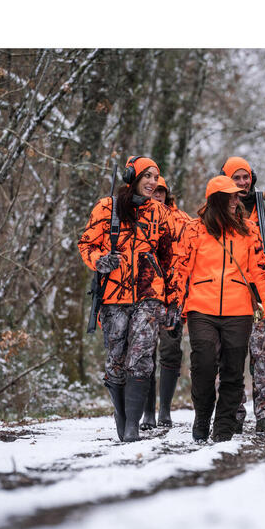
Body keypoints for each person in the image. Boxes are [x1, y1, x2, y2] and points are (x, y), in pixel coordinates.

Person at [78, 156, 179, 442]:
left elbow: (170, 258)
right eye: (146, 175)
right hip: (113, 295)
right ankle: (121, 417)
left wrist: (173, 300)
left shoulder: (160, 212)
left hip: (150, 295)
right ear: (131, 176)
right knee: (115, 361)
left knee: (142, 358)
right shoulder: (106, 208)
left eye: (155, 177)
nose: (152, 182)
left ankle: (133, 425)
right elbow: (86, 243)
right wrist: (101, 261)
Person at [173, 175, 265, 443]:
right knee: (204, 365)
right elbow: (180, 270)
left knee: (233, 371)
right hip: (201, 308)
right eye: (230, 195)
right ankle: (203, 416)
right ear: (216, 199)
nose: (236, 199)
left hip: (238, 310)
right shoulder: (193, 230)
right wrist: (174, 308)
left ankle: (223, 426)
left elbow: (262, 272)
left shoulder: (249, 230)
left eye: (237, 195)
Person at [220, 156, 265, 435]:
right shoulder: (218, 211)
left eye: (246, 177)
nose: (242, 183)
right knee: (231, 358)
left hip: (261, 291)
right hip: (229, 293)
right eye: (236, 178)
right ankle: (233, 413)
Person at [140, 176, 192, 429]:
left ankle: (165, 410)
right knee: (145, 351)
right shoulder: (137, 218)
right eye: (154, 191)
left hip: (174, 294)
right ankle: (148, 412)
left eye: (161, 191)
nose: (157, 195)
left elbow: (189, 258)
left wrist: (183, 294)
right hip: (145, 294)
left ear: (167, 194)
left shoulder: (182, 220)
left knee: (170, 350)